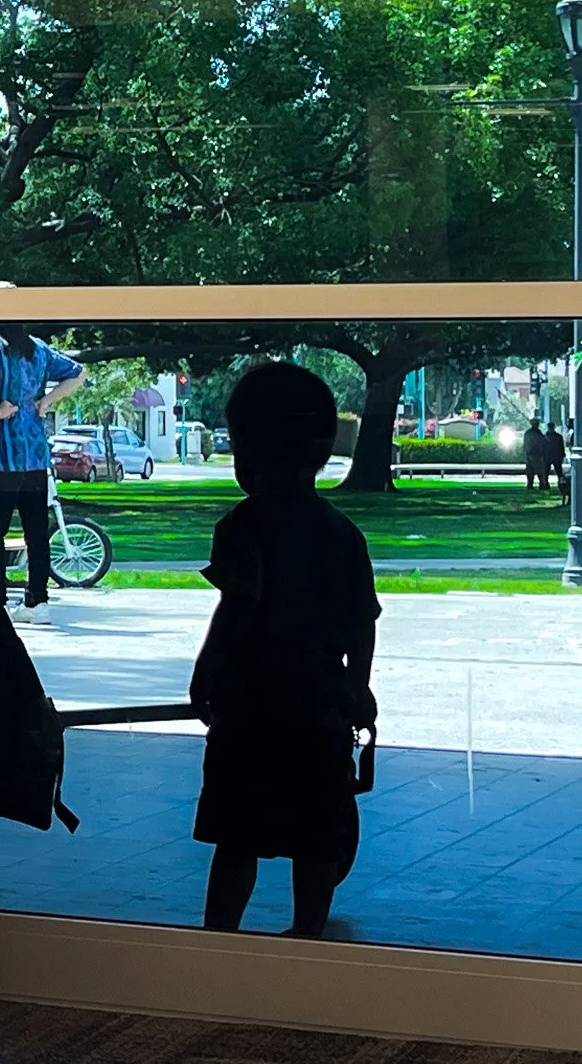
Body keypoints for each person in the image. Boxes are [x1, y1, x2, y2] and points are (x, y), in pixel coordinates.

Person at [190, 362, 379, 939]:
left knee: (236, 833)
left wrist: (206, 674)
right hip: (319, 706)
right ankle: (308, 932)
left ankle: (220, 932)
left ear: (250, 454)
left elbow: (237, 610)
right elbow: (362, 621)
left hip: (251, 705)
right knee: (316, 836)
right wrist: (358, 684)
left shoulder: (244, 527)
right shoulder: (343, 533)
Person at [0, 324, 85, 624]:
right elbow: (78, 372)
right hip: (34, 455)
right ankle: (37, 601)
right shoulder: (39, 350)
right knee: (37, 532)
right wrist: (46, 402)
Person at [545, 423, 569, 502]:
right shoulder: (557, 437)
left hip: (553, 456)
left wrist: (562, 455)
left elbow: (561, 447)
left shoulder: (546, 437)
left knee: (557, 472)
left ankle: (560, 485)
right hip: (553, 456)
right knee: (548, 471)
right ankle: (547, 484)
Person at [522, 420, 547, 493]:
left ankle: (530, 485)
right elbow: (542, 443)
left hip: (530, 454)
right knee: (539, 471)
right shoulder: (538, 433)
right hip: (537, 454)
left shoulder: (528, 433)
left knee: (530, 471)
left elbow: (525, 444)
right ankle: (541, 484)